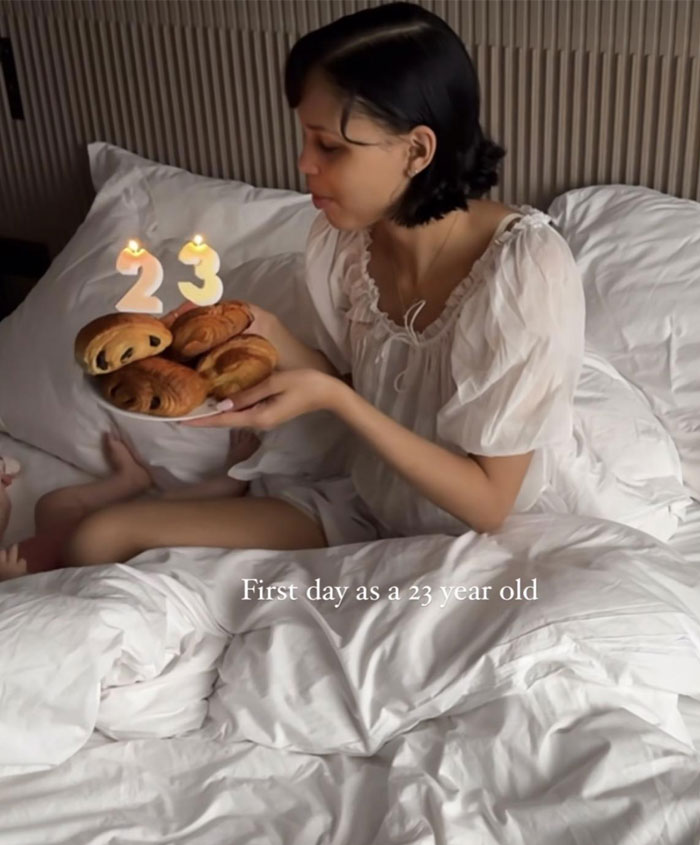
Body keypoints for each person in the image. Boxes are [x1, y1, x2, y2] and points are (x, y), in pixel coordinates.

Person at [0, 0, 585, 580]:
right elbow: (361, 386)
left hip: (462, 539)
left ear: (416, 150)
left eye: (329, 146)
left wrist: (338, 402)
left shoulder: (522, 270)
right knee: (98, 538)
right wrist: (265, 330)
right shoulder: (347, 243)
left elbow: (488, 504)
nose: (304, 163)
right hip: (363, 507)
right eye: (305, 138)